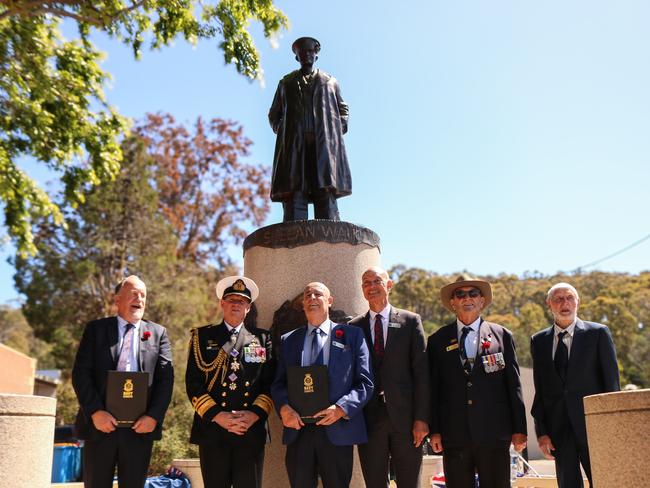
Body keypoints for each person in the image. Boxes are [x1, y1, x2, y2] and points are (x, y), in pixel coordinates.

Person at [72, 275, 174, 488]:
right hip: (100, 427)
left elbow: (166, 380)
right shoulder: (96, 330)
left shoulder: (158, 333)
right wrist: (95, 412)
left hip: (140, 429)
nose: (140, 299)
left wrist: (153, 417)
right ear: (117, 300)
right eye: (134, 294)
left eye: (143, 295)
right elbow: (81, 374)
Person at [426, 275, 527, 488]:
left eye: (473, 293)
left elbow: (514, 385)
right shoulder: (437, 340)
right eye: (460, 294)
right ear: (452, 303)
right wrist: (435, 429)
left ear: (482, 300)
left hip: (494, 433)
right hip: (454, 434)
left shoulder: (502, 336)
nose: (466, 298)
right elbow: (433, 389)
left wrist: (519, 429)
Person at [270, 282, 373, 488]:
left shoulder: (352, 336)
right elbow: (279, 383)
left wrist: (341, 409)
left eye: (318, 294)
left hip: (337, 429)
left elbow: (365, 383)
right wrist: (284, 408)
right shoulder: (290, 340)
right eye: (308, 295)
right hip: (299, 432)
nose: (312, 298)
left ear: (330, 301)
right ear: (303, 305)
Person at [185, 276, 274, 488]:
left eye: (241, 301)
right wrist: (219, 416)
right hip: (213, 431)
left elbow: (269, 383)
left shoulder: (262, 339)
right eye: (231, 299)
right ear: (222, 304)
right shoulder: (202, 337)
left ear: (248, 308)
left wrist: (253, 415)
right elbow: (193, 383)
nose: (236, 304)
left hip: (249, 431)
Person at [531, 283, 620, 488]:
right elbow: (541, 390)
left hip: (593, 427)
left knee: (604, 482)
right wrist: (542, 432)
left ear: (578, 302)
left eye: (569, 297)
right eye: (558, 299)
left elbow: (612, 385)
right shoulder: (539, 341)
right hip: (558, 431)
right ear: (549, 304)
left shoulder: (598, 333)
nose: (565, 303)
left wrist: (612, 428)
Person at [349, 266, 430, 488]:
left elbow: (422, 374)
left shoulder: (410, 321)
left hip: (406, 421)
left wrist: (422, 419)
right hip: (369, 421)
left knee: (409, 482)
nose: (371, 287)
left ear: (389, 285)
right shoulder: (354, 327)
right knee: (374, 483)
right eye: (366, 283)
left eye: (377, 281)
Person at [268, 36, 351, 221]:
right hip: (295, 144)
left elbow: (343, 108)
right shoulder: (286, 83)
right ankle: (293, 235)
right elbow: (274, 113)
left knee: (325, 187)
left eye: (310, 52)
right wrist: (282, 130)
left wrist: (339, 127)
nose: (307, 55)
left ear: (316, 55)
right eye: (302, 52)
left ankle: (330, 231)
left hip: (323, 143)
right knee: (295, 189)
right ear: (297, 57)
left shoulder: (330, 82)